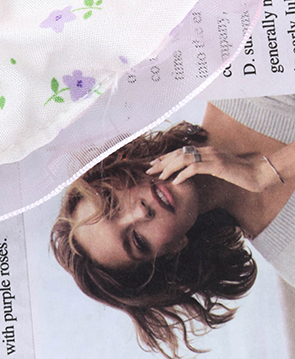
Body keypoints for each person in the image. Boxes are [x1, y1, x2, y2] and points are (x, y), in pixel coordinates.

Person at [51, 96, 295, 358]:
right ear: (173, 250)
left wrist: (264, 171)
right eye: (138, 241)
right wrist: (261, 172)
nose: (140, 212)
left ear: (117, 166)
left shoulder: (235, 88)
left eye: (112, 201)